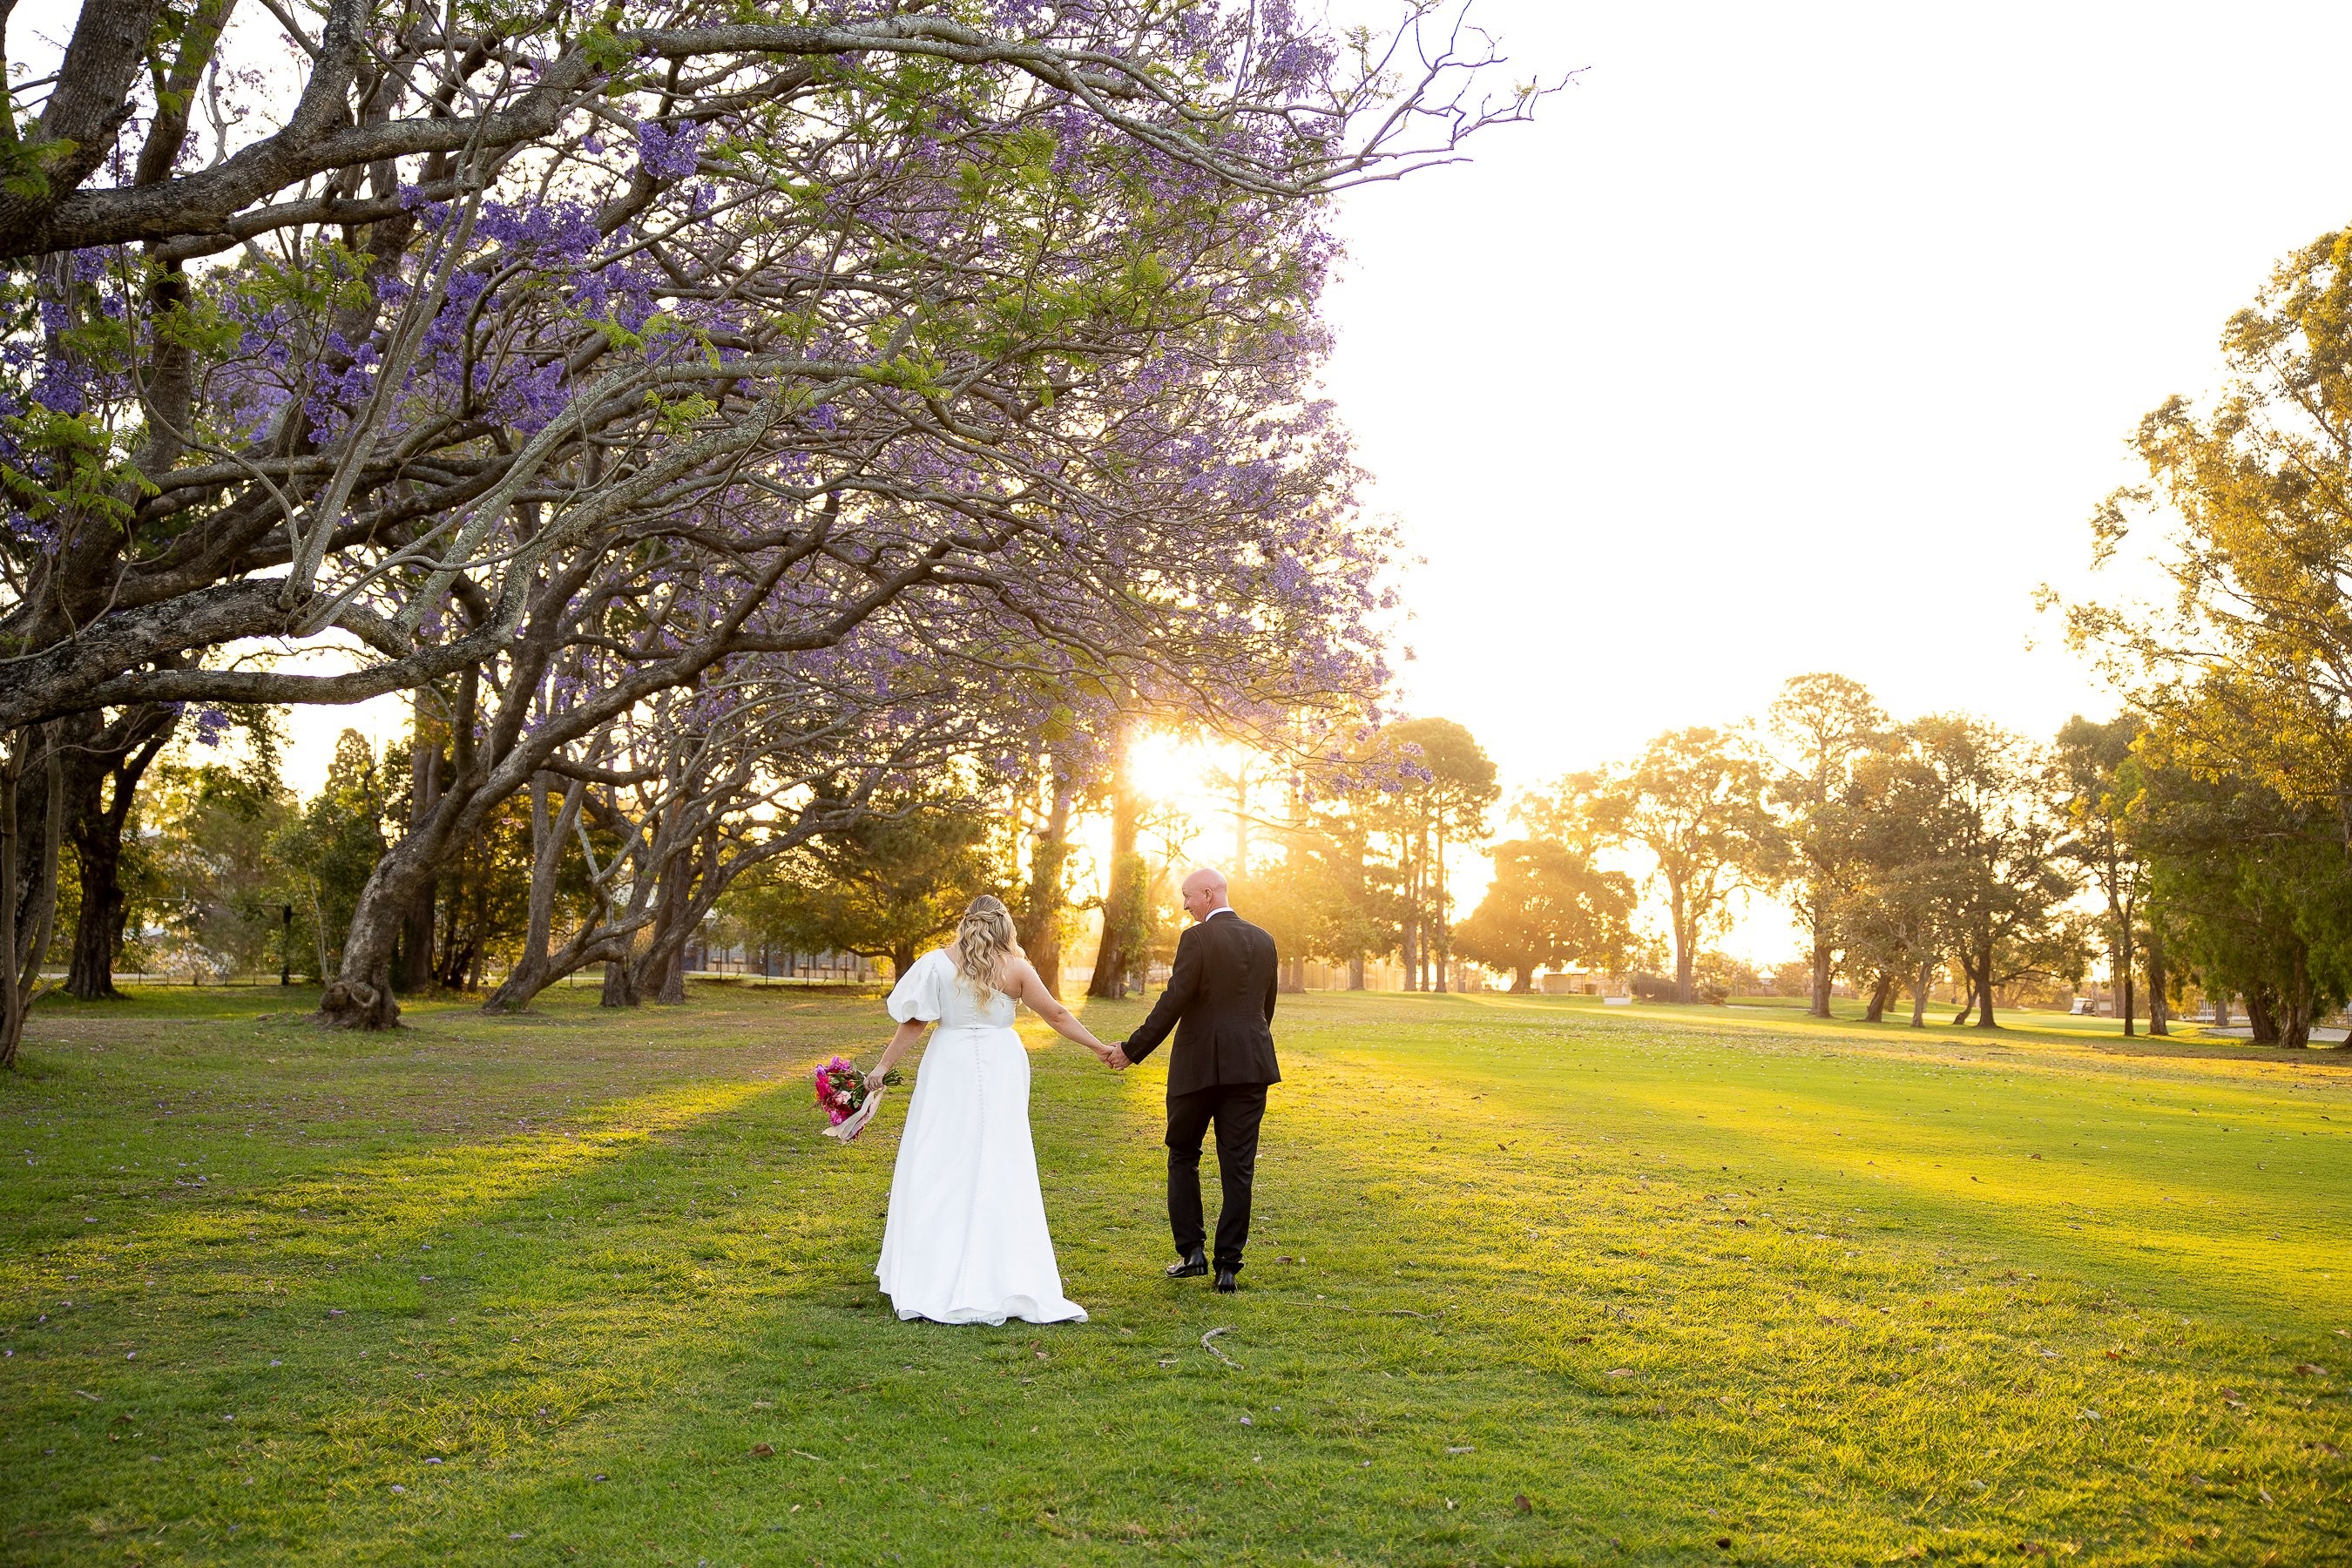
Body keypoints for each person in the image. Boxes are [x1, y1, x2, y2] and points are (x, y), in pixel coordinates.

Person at [863, 894, 1120, 1325]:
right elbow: (1056, 1014)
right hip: (999, 1062)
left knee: (939, 1157)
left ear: (966, 922)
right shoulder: (1016, 968)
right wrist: (1098, 1047)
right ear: (1005, 925)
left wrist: (882, 1067)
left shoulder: (935, 964)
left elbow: (915, 1022)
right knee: (998, 1157)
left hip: (949, 1062)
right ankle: (997, 1265)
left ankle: (931, 1265)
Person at [1111, 867, 1279, 1294]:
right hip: (1251, 1066)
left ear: (1208, 893)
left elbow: (1173, 1002)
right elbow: (1266, 1008)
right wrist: (1246, 1047)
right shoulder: (1265, 940)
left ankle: (1192, 1254)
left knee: (1183, 1153)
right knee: (1238, 1167)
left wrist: (1132, 1049)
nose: (1185, 905)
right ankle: (1228, 1267)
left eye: (1188, 896)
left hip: (1197, 1068)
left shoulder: (1197, 939)